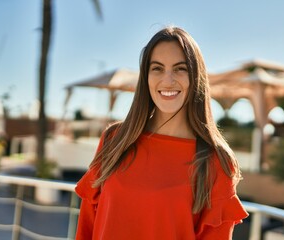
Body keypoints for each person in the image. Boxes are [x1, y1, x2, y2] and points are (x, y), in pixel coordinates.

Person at [75, 26, 248, 240]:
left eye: (180, 68)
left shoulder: (216, 162)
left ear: (196, 77)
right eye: (157, 68)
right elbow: (86, 227)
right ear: (146, 77)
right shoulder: (114, 140)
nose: (167, 80)